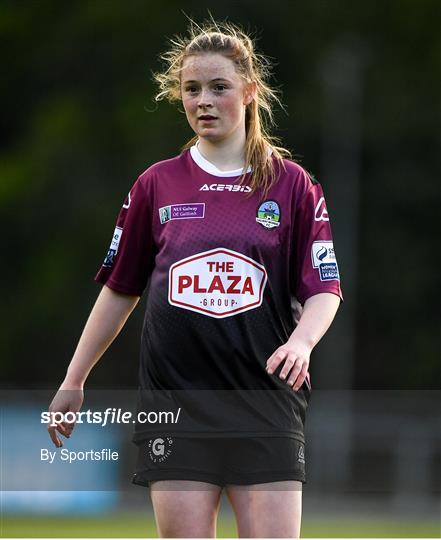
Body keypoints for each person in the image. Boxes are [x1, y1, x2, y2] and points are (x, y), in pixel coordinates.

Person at [48, 19, 343, 538]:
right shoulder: (156, 185)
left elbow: (323, 288)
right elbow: (120, 288)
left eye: (218, 87)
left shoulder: (291, 186)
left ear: (249, 92)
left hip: (265, 400)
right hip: (175, 403)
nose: (203, 100)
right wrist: (74, 379)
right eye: (191, 89)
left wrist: (302, 342)